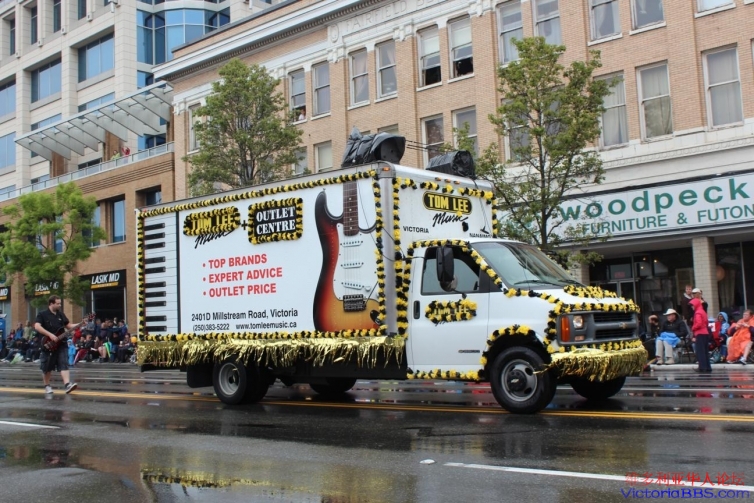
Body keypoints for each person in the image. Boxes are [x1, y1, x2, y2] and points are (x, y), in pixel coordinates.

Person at [34, 295, 78, 394]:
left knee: (64, 363)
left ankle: (67, 384)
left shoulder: (61, 314)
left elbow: (69, 326)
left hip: (61, 343)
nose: (60, 305)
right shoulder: (42, 314)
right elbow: (37, 326)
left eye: (60, 303)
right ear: (51, 304)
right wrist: (50, 335)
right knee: (47, 366)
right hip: (48, 344)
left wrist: (81, 324)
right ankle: (47, 385)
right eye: (57, 303)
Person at [690, 297, 712, 373]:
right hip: (705, 333)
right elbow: (706, 322)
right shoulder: (703, 311)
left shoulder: (697, 313)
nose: (692, 307)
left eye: (692, 305)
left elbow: (699, 323)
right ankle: (707, 367)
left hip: (700, 333)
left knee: (700, 351)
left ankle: (702, 367)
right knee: (705, 351)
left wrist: (693, 327)